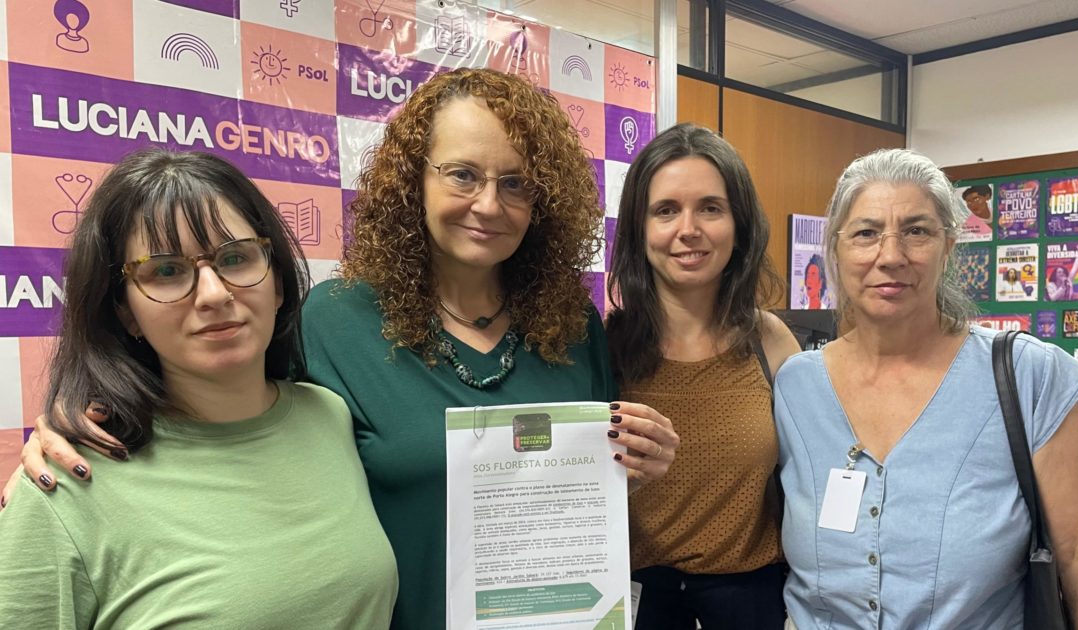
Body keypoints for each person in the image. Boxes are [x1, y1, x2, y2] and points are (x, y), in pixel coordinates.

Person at [7, 68, 680, 630]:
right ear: (412, 181)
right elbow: (215, 393)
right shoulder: (334, 319)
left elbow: (584, 483)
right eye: (462, 175)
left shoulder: (571, 323)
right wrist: (74, 422)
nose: (488, 203)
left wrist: (633, 460)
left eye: (515, 183)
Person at [0, 149, 398, 627]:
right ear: (125, 312)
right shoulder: (66, 483)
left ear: (276, 282)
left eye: (235, 258)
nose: (213, 294)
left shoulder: (328, 415)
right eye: (166, 270)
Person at [774, 148, 1078, 629]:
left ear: (948, 246)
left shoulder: (1026, 376)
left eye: (917, 231)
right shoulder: (797, 386)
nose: (891, 255)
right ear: (835, 249)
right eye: (866, 233)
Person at [606, 123, 800, 630]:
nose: (688, 229)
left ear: (738, 226)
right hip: (634, 597)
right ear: (638, 228)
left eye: (710, 208)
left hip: (752, 596)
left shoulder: (772, 343)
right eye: (666, 210)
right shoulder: (603, 349)